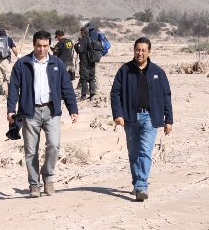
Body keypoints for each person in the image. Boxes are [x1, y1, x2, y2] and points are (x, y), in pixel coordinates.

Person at [7, 30, 78, 198]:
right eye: (39, 45)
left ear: (49, 46)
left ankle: (48, 177)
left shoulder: (57, 63)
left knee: (53, 145)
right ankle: (34, 184)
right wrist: (11, 109)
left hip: (52, 110)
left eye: (45, 46)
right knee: (31, 150)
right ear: (34, 45)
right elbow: (13, 88)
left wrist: (72, 109)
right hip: (29, 111)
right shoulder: (22, 64)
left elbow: (66, 87)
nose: (42, 49)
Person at [110, 37, 173, 201]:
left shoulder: (158, 72)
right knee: (133, 153)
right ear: (134, 50)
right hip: (130, 117)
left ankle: (142, 186)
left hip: (150, 118)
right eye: (138, 49)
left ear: (149, 52)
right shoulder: (125, 70)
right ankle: (137, 182)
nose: (140, 53)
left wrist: (169, 120)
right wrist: (118, 114)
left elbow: (166, 96)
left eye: (144, 50)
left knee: (145, 151)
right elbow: (115, 93)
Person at [0, 28, 20, 95]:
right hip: (5, 61)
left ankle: (1, 94)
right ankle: (11, 94)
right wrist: (18, 55)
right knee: (9, 77)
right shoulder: (8, 39)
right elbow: (14, 49)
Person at [74, 27, 96, 101]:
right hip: (92, 62)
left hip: (84, 61)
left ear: (83, 32)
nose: (80, 33)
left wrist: (76, 46)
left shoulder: (83, 40)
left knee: (84, 78)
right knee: (91, 78)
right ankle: (92, 95)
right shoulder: (91, 39)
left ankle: (84, 95)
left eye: (81, 32)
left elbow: (80, 50)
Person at [85, 22, 100, 94]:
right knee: (95, 70)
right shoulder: (96, 33)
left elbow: (90, 45)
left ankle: (96, 88)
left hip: (93, 55)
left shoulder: (91, 34)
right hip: (96, 54)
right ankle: (95, 88)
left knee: (95, 71)